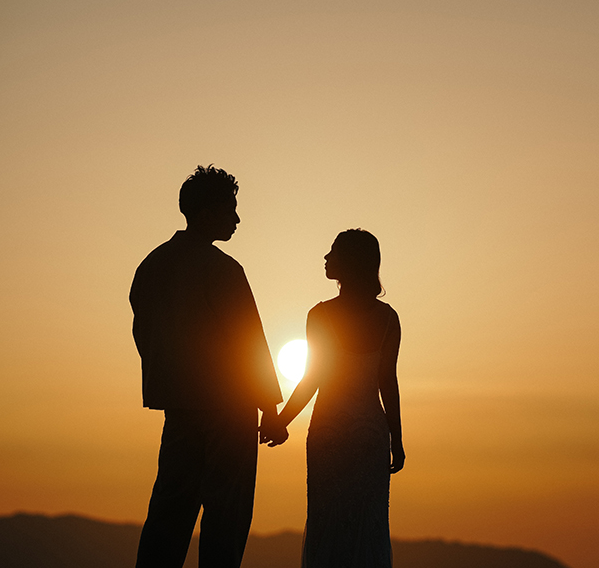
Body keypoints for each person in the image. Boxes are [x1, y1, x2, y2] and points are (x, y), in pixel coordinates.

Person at [130, 165, 283, 568]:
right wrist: (270, 409)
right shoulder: (223, 269)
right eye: (230, 209)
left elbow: (144, 336)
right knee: (226, 518)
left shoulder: (151, 267)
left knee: (168, 514)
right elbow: (249, 343)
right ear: (207, 212)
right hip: (229, 409)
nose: (237, 219)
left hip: (180, 409)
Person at [262, 228, 404, 568]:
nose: (326, 258)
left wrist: (280, 421)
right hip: (371, 435)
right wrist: (396, 440)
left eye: (333, 252)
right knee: (368, 523)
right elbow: (387, 383)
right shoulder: (388, 318)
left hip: (330, 433)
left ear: (350, 262)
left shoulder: (321, 315)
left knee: (327, 520)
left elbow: (313, 378)